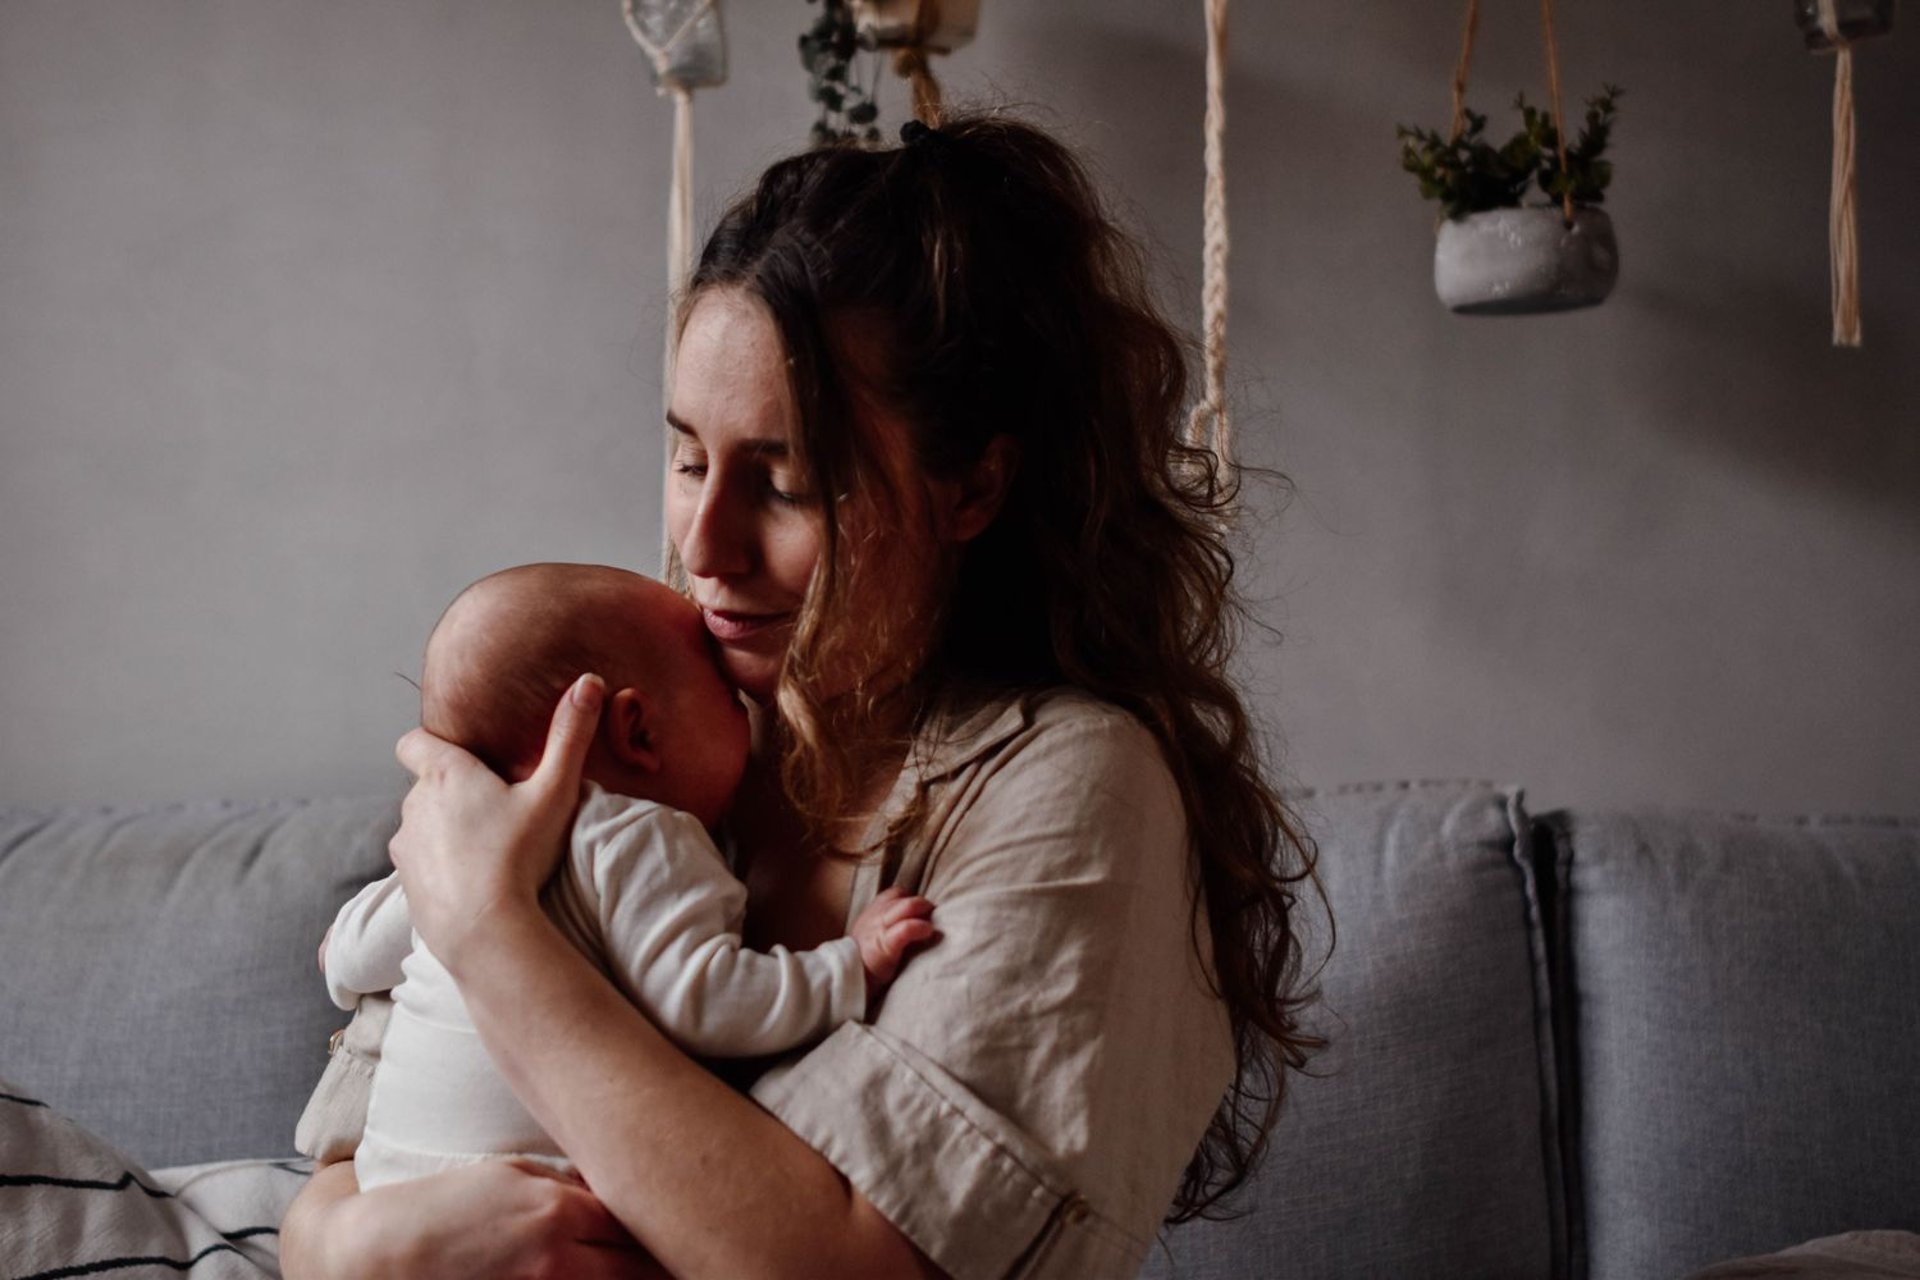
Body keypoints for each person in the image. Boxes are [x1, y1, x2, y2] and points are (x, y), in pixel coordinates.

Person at [280, 111, 1322, 1280]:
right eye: (686, 460)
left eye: (785, 482)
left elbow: (854, 1265)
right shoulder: (639, 725)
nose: (706, 544)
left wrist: (493, 932)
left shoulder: (1070, 785)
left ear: (973, 484)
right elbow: (326, 1185)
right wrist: (371, 1245)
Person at [313, 562, 935, 1191]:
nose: (748, 715)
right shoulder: (643, 836)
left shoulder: (454, 850)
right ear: (637, 731)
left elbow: (345, 963)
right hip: (539, 1204)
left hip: (393, 1191)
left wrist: (343, 941)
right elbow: (703, 1000)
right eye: (726, 694)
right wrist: (849, 966)